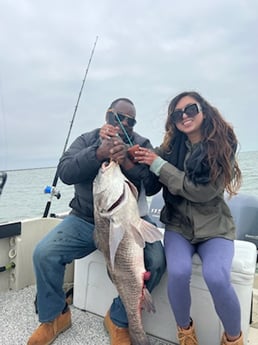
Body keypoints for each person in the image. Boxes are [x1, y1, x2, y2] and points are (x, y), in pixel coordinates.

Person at [27, 97, 166, 345]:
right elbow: (66, 172)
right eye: (118, 117)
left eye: (130, 121)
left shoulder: (142, 144)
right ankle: (55, 316)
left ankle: (119, 319)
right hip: (85, 219)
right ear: (107, 115)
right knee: (44, 253)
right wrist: (98, 152)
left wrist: (127, 162)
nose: (124, 123)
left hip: (131, 220)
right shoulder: (87, 140)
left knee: (156, 260)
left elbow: (154, 185)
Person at [134, 91, 243, 345]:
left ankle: (234, 338)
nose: (184, 116)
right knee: (179, 272)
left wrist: (158, 165)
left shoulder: (222, 146)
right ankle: (185, 333)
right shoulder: (171, 147)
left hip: (215, 227)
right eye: (177, 113)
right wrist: (128, 153)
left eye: (190, 109)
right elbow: (149, 161)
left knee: (216, 276)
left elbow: (203, 192)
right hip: (178, 226)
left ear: (204, 110)